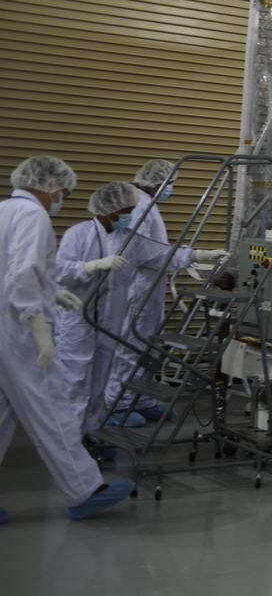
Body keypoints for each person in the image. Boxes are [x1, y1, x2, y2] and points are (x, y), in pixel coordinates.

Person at [0, 156, 134, 523]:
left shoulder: (4, 210)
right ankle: (84, 490)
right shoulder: (33, 215)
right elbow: (23, 273)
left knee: (2, 415)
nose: (62, 200)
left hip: (4, 328)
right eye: (65, 192)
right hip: (20, 331)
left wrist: (51, 291)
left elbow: (13, 269)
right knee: (53, 407)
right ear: (50, 185)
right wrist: (39, 327)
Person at [104, 160, 225, 422]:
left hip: (149, 288)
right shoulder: (139, 206)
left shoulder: (146, 204)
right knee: (131, 346)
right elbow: (145, 252)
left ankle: (141, 398)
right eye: (171, 183)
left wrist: (187, 256)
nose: (172, 188)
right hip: (137, 289)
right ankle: (118, 403)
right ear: (158, 182)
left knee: (147, 348)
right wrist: (192, 255)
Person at [55, 182, 145, 431]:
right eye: (127, 210)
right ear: (109, 209)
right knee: (74, 379)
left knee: (100, 379)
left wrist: (195, 255)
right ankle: (69, 437)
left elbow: (160, 254)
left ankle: (91, 430)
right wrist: (90, 266)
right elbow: (60, 270)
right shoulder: (78, 234)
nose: (130, 215)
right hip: (78, 320)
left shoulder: (129, 239)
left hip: (109, 321)